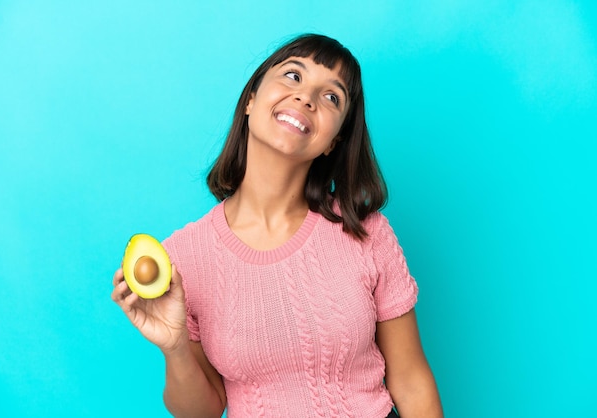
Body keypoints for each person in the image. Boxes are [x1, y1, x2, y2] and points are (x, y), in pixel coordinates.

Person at [111, 33, 443, 418]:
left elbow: (411, 381)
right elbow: (201, 411)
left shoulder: (366, 231)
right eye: (292, 76)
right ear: (251, 98)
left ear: (334, 142)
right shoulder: (181, 258)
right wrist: (175, 348)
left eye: (331, 97)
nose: (305, 98)